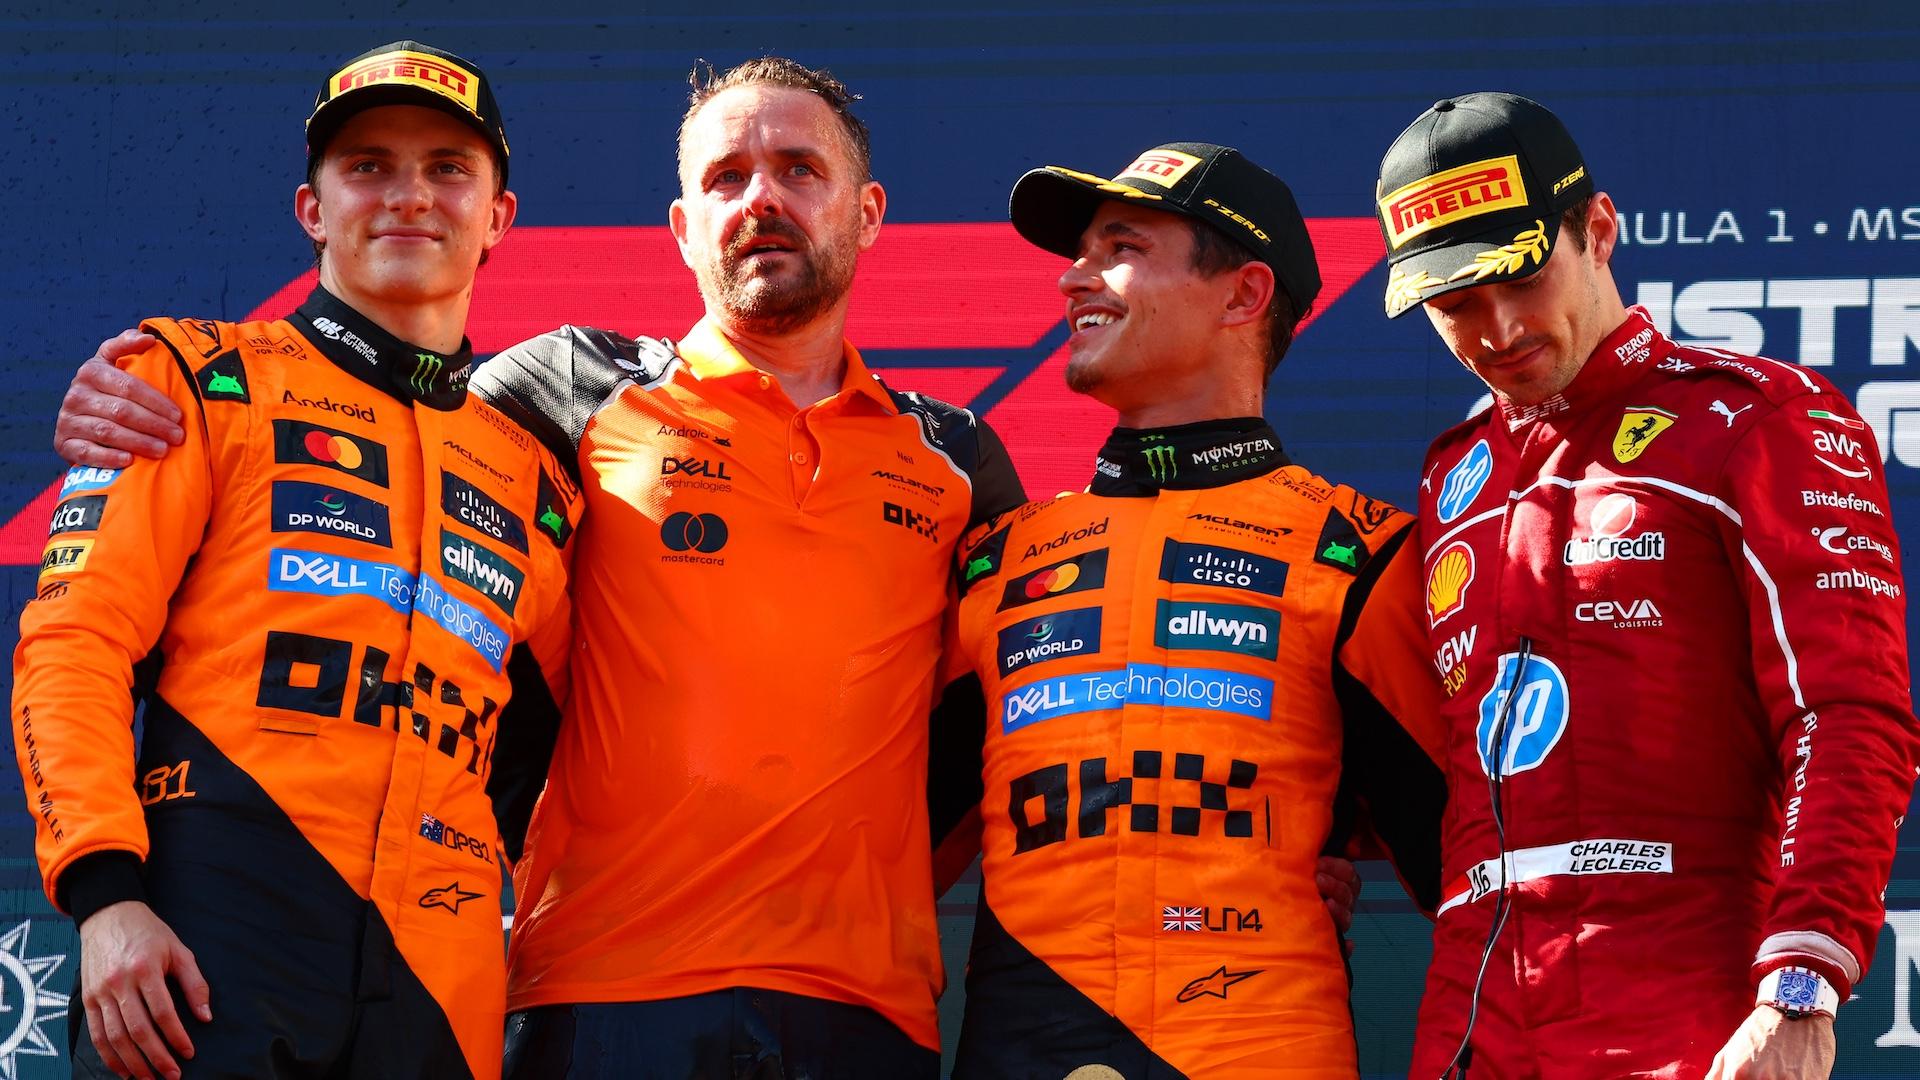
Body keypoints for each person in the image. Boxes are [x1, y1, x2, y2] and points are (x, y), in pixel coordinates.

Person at [14, 40, 580, 1080]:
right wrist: (105, 896)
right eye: (368, 166)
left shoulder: (539, 480)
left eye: (447, 168)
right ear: (312, 210)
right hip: (209, 932)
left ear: (499, 217)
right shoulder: (192, 381)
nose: (409, 195)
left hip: (443, 972)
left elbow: (566, 763)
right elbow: (74, 642)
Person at [1378, 92, 1917, 1079]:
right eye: (1454, 304)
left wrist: (1801, 981)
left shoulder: (1753, 420)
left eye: (1520, 277)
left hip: (1681, 996)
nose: (1497, 329)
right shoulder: (1452, 472)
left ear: (1597, 230)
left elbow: (1847, 713)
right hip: (1471, 1011)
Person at [942, 142, 1448, 1078]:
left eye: (1121, 249)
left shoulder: (1361, 553)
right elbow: (877, 849)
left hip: (1258, 1044)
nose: (1074, 278)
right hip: (1022, 1047)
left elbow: (1473, 873)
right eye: (1080, 253)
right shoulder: (995, 561)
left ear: (1244, 295)